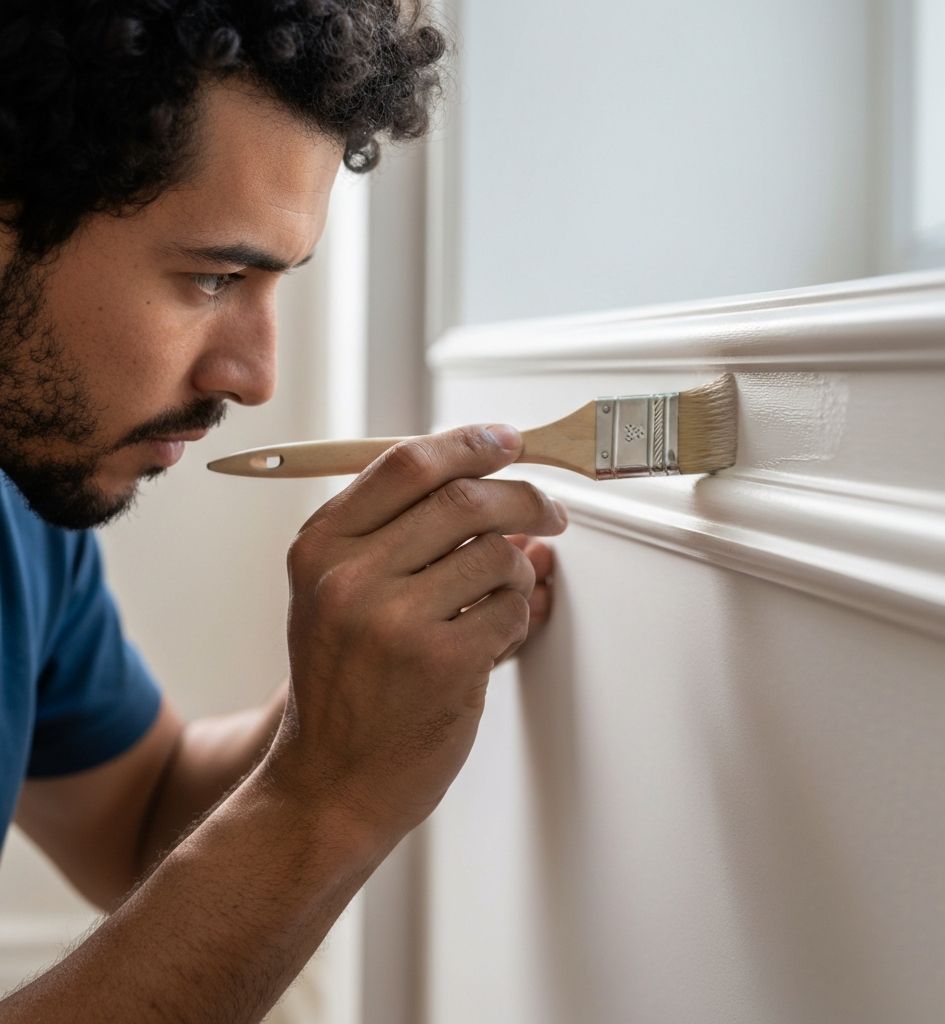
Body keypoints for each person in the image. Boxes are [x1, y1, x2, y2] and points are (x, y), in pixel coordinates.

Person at [0, 2, 567, 1019]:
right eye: (212, 278)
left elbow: (136, 814)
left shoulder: (25, 496)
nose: (255, 376)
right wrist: (326, 802)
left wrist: (352, 689)